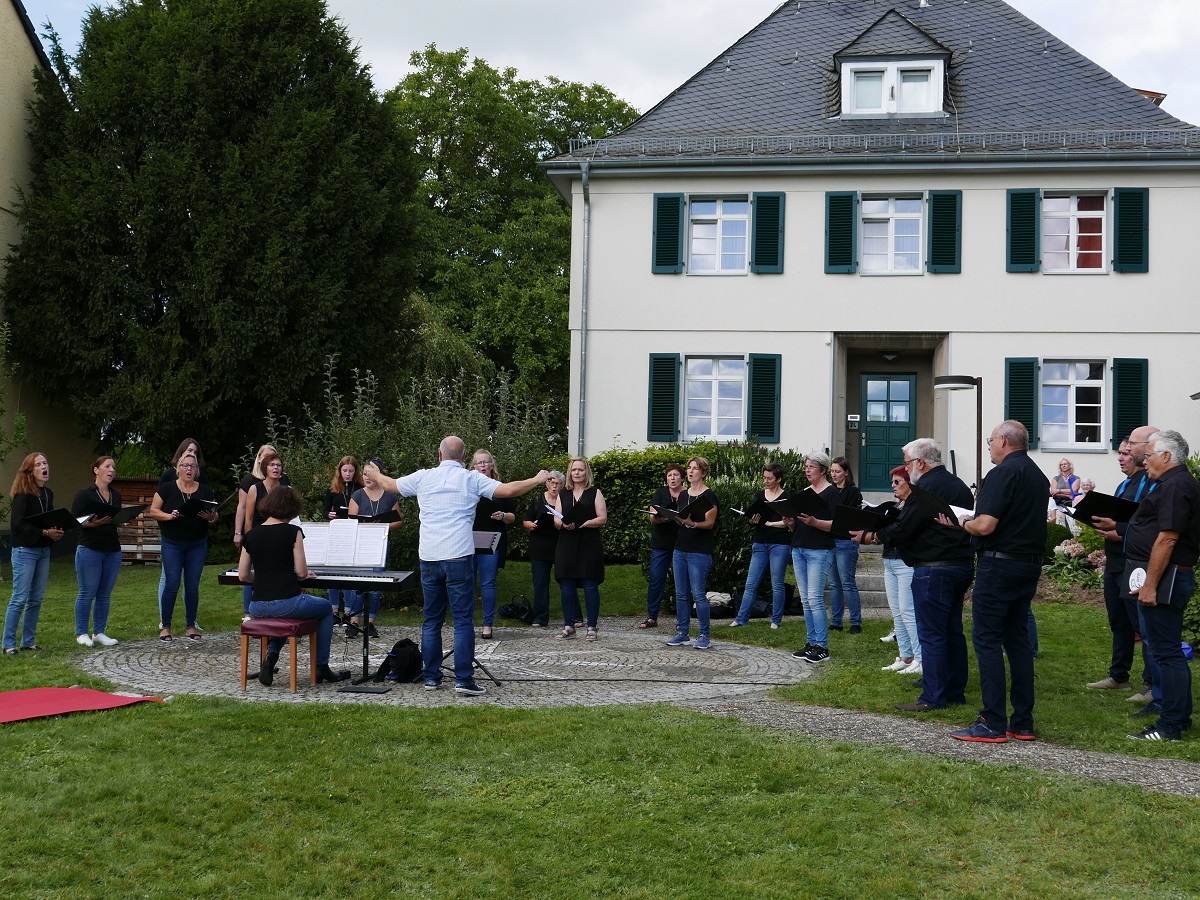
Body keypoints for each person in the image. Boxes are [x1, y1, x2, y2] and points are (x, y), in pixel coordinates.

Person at [365, 439, 549, 696]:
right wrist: (537, 479)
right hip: (459, 556)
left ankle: (431, 678)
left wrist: (374, 473)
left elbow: (390, 485)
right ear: (464, 457)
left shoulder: (423, 477)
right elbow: (508, 490)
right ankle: (463, 680)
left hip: (429, 556)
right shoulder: (471, 478)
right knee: (462, 620)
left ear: (439, 454)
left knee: (431, 619)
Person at [951, 420, 1049, 743]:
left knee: (987, 639)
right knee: (1017, 640)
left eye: (991, 440)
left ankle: (992, 720)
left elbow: (986, 525)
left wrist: (964, 522)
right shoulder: (1038, 476)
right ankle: (1022, 721)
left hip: (999, 565)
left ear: (1004, 440)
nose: (989, 446)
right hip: (1028, 566)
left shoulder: (1001, 473)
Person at [878, 438, 974, 713]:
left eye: (908, 464)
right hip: (960, 564)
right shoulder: (957, 484)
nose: (907, 471)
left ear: (920, 462)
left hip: (935, 567)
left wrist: (875, 535)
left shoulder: (926, 487)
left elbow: (906, 525)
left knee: (931, 633)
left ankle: (933, 695)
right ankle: (953, 689)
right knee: (952, 631)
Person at [1121, 430, 1200, 742]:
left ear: (1166, 456)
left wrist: (1150, 584)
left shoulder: (1176, 485)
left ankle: (1170, 726)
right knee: (1166, 651)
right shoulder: (1173, 483)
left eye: (1150, 455)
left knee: (1166, 652)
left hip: (1167, 578)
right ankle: (1179, 717)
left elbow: (1168, 537)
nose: (1145, 460)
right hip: (1164, 576)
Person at [239, 486, 348, 685]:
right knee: (324, 609)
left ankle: (271, 656)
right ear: (291, 509)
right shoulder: (293, 532)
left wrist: (266, 574)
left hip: (257, 607)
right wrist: (301, 575)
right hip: (286, 602)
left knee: (285, 616)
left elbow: (243, 575)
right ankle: (321, 666)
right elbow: (301, 573)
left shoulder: (252, 535)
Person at [1086, 440, 1150, 693]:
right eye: (1119, 453)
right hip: (1114, 563)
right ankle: (1119, 676)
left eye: (1125, 453)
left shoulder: (1147, 483)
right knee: (1118, 621)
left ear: (1138, 455)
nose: (1120, 458)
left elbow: (1146, 525)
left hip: (1133, 562)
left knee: (1141, 625)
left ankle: (1151, 683)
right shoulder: (1124, 484)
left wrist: (1121, 535)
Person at [856, 466, 920, 676]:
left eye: (897, 482)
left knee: (908, 611)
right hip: (889, 560)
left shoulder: (914, 507)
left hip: (905, 562)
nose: (892, 486)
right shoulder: (895, 506)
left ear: (909, 483)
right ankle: (904, 656)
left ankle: (920, 659)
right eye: (892, 482)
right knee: (897, 612)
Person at [149, 451, 219, 641]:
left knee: (192, 585)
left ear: (197, 470)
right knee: (172, 583)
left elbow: (215, 514)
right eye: (185, 465)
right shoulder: (167, 488)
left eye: (192, 466)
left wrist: (210, 517)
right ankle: (165, 626)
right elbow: (154, 511)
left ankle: (190, 625)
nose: (189, 469)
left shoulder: (204, 490)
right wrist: (169, 516)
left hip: (197, 543)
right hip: (172, 542)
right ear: (178, 469)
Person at [3, 453, 63, 654]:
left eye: (45, 462)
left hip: (43, 551)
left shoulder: (48, 494)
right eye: (38, 464)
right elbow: (17, 525)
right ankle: (8, 644)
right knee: (19, 598)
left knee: (36, 599)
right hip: (24, 551)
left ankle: (28, 641)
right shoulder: (23, 494)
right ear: (30, 471)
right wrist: (44, 532)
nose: (44, 466)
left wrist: (56, 531)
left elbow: (48, 519)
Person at [788, 452, 839, 664]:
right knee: (806, 600)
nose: (807, 470)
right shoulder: (804, 493)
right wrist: (791, 522)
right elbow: (799, 523)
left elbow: (838, 525)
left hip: (820, 550)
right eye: (806, 466)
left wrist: (815, 522)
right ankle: (811, 643)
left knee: (815, 598)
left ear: (823, 470)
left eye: (811, 467)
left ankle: (822, 647)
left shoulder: (831, 493)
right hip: (799, 548)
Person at [71, 456, 125, 648]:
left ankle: (99, 632)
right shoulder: (84, 494)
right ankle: (81, 633)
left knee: (104, 593)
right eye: (107, 466)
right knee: (87, 592)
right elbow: (75, 521)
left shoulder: (116, 494)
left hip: (112, 549)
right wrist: (94, 523)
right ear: (96, 470)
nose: (111, 470)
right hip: (90, 547)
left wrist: (125, 517)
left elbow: (115, 518)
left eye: (113, 467)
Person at [345, 460, 403, 638]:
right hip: (361, 543)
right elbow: (351, 519)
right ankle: (354, 622)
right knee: (358, 581)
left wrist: (384, 524)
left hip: (381, 543)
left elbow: (398, 520)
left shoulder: (390, 496)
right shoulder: (358, 495)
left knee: (377, 582)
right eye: (364, 474)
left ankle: (370, 623)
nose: (367, 477)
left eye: (370, 474)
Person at [666, 456, 719, 650]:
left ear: (703, 472)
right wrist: (675, 518)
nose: (690, 471)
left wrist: (692, 523)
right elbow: (681, 518)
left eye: (695, 469)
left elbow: (710, 523)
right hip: (680, 548)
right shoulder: (682, 495)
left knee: (698, 593)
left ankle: (704, 634)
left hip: (699, 550)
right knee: (681, 594)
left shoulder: (709, 496)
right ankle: (683, 632)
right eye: (688, 468)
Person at [731, 462, 790, 629]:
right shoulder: (759, 495)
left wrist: (771, 523)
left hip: (779, 543)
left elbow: (788, 522)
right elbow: (753, 519)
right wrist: (752, 520)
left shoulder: (787, 497)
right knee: (751, 583)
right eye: (764, 478)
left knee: (777, 583)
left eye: (769, 478)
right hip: (760, 542)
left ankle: (776, 620)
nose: (766, 481)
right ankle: (741, 618)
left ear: (778, 479)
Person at [554, 456, 608, 641]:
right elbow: (556, 518)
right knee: (566, 585)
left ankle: (592, 626)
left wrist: (586, 522)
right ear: (570, 472)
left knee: (590, 585)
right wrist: (563, 524)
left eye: (580, 470)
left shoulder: (595, 492)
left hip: (588, 543)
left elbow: (602, 518)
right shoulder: (563, 494)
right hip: (567, 543)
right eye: (574, 470)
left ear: (587, 472)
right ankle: (569, 625)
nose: (577, 473)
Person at [470, 449, 514, 639]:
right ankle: (466, 623)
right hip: (467, 540)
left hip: (491, 541)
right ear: (473, 467)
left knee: (488, 583)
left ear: (491, 465)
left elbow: (512, 516)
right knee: (466, 583)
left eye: (486, 462)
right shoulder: (467, 487)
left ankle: (487, 624)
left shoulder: (500, 489)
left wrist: (503, 516)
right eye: (479, 463)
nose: (483, 466)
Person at [642, 464, 686, 629]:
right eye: (669, 475)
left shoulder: (688, 493)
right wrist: (659, 518)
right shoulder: (660, 492)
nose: (672, 478)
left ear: (682, 478)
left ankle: (681, 619)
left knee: (681, 581)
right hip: (661, 542)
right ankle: (652, 617)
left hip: (681, 542)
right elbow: (653, 515)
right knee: (656, 579)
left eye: (675, 475)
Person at [321, 456, 364, 623]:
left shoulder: (359, 488)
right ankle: (333, 610)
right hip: (337, 531)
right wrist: (328, 514)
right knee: (333, 572)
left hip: (354, 531)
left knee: (348, 573)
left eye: (351, 471)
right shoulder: (332, 489)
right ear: (339, 471)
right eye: (344, 471)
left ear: (355, 472)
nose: (347, 474)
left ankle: (348, 611)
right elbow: (325, 510)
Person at [523, 470, 565, 627]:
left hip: (560, 544)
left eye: (558, 484)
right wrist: (531, 525)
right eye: (551, 483)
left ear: (562, 486)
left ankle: (574, 617)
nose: (554, 486)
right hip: (539, 545)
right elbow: (526, 521)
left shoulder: (566, 501)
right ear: (546, 484)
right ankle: (540, 617)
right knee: (540, 583)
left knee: (566, 581)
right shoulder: (537, 500)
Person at [828, 457, 864, 634]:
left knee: (847, 582)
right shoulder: (829, 490)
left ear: (846, 472)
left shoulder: (853, 492)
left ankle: (855, 621)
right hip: (830, 540)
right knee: (834, 584)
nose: (834, 475)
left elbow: (848, 516)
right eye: (832, 471)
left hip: (846, 541)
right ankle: (836, 621)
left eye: (837, 471)